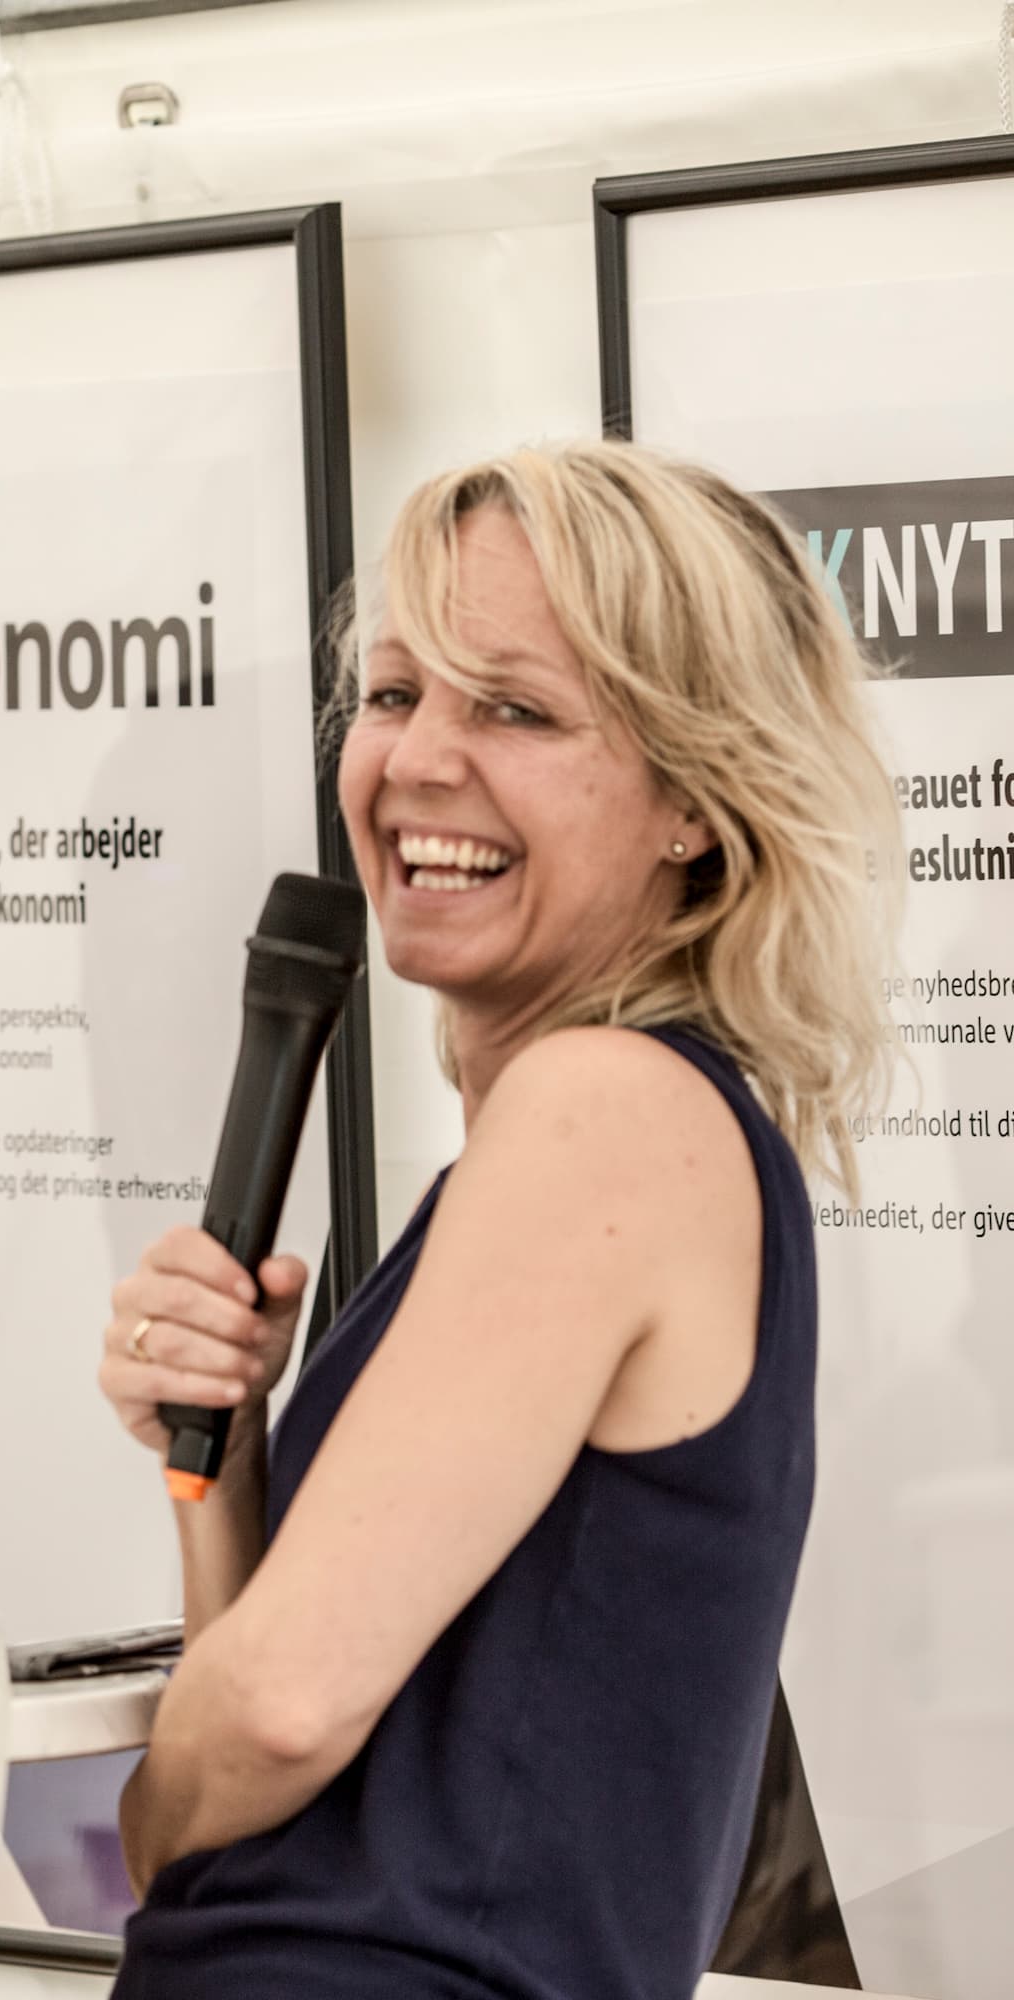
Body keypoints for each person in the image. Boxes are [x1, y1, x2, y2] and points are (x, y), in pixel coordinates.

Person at [94, 440, 895, 1998]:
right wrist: (225, 1459)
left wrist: (151, 1813)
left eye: (515, 709)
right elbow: (306, 1713)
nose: (418, 760)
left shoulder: (602, 1111)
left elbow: (270, 1721)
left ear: (695, 804)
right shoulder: (589, 1139)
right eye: (396, 694)